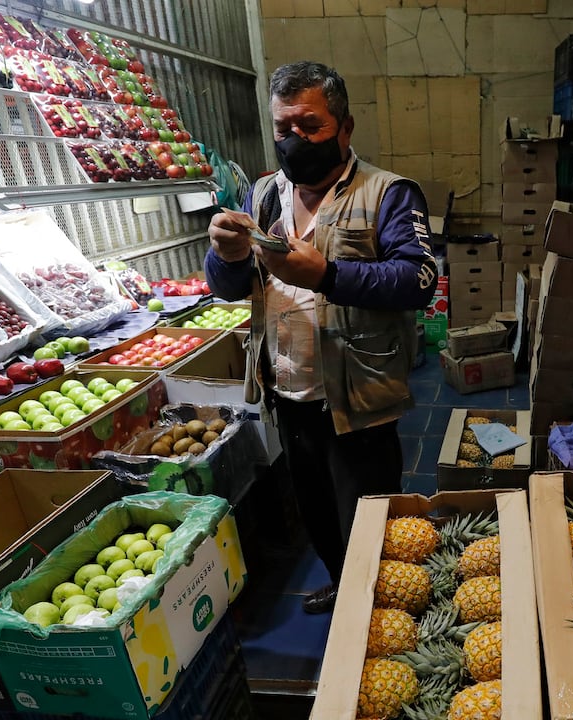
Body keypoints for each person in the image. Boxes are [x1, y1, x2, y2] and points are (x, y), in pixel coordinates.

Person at [205, 61, 438, 614]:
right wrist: (226, 255)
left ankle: (385, 605)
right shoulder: (264, 193)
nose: (295, 140)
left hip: (360, 392)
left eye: (310, 126)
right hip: (288, 391)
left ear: (345, 127)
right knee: (315, 507)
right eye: (283, 129)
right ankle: (341, 580)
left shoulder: (388, 194)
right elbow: (229, 287)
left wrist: (328, 276)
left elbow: (418, 281)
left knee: (370, 510)